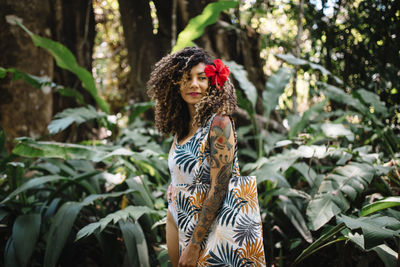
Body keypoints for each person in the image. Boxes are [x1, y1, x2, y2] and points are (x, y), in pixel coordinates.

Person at [147, 47, 263, 267]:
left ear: (212, 82)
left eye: (201, 78)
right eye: (186, 78)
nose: (194, 84)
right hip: (176, 219)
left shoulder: (219, 123)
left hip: (207, 230)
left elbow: (219, 188)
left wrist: (194, 245)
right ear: (175, 84)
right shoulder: (181, 128)